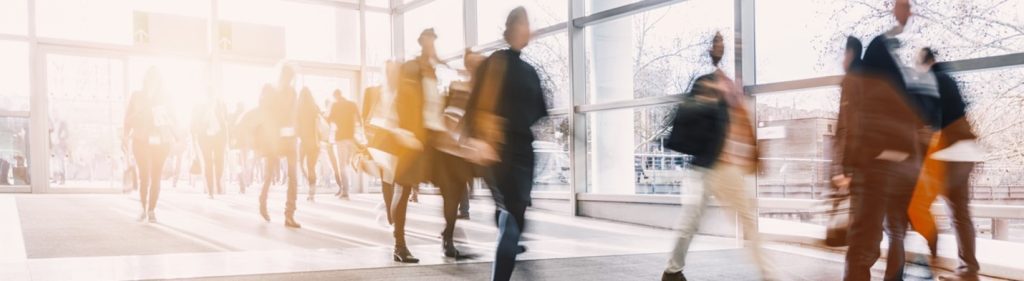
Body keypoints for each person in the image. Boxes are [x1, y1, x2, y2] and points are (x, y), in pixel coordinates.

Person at [661, 32, 769, 281]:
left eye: (723, 44)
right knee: (692, 220)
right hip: (707, 165)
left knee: (741, 219)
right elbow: (692, 116)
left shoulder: (728, 85)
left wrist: (753, 154)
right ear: (711, 50)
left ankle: (767, 272)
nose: (720, 48)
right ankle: (672, 271)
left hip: (722, 166)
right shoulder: (706, 83)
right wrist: (710, 100)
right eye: (717, 44)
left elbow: (741, 123)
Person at [844, 0, 932, 279]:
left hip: (876, 165)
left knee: (864, 239)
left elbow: (853, 127)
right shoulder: (904, 87)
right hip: (906, 167)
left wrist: (850, 166)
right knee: (896, 231)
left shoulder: (863, 83)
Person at [462, 7, 548, 281]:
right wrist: (479, 139)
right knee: (512, 216)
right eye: (525, 24)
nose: (529, 29)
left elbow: (538, 114)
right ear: (514, 28)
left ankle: (505, 244)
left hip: (520, 153)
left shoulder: (528, 70)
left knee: (513, 215)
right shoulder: (498, 64)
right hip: (500, 152)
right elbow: (475, 106)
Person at [905, 47, 981, 281]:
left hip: (947, 151)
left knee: (917, 205)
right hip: (966, 149)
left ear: (923, 64)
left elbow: (927, 120)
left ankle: (930, 263)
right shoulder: (948, 79)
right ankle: (968, 270)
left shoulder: (932, 79)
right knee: (959, 213)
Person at [827, 36, 864, 247]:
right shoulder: (870, 80)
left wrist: (842, 168)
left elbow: (847, 126)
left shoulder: (851, 81)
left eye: (843, 54)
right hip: (867, 161)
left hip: (854, 164)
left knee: (856, 230)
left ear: (850, 54)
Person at [125, 68, 174, 223]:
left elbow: (173, 118)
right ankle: (142, 208)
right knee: (144, 175)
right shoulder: (137, 96)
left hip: (160, 142)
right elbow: (127, 117)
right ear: (145, 80)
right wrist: (125, 135)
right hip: (140, 140)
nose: (153, 82)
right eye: (150, 79)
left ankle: (152, 210)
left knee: (156, 177)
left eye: (156, 80)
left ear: (160, 82)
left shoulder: (165, 98)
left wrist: (175, 134)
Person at [255, 63, 302, 229]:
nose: (288, 80)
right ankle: (262, 202)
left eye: (290, 78)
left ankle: (289, 214)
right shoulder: (270, 90)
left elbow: (294, 114)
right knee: (269, 175)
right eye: (286, 77)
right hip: (274, 139)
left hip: (289, 138)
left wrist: (295, 130)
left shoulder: (292, 92)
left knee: (293, 177)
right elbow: (264, 113)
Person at [192, 95, 229, 199]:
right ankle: (210, 191)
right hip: (204, 138)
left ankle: (217, 180)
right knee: (207, 163)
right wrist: (194, 137)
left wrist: (227, 140)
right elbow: (194, 122)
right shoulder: (199, 107)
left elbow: (226, 121)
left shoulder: (221, 105)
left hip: (219, 137)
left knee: (219, 162)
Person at [326, 90, 359, 200]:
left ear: (335, 96)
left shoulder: (335, 105)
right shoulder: (352, 104)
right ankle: (348, 187)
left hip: (341, 138)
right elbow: (359, 119)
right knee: (348, 163)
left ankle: (345, 191)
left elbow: (328, 119)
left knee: (342, 166)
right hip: (352, 138)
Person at [296, 87, 323, 202]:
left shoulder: (298, 109)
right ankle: (312, 190)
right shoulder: (315, 107)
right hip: (315, 142)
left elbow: (296, 126)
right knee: (311, 167)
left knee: (302, 165)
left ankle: (310, 185)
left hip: (304, 141)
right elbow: (319, 123)